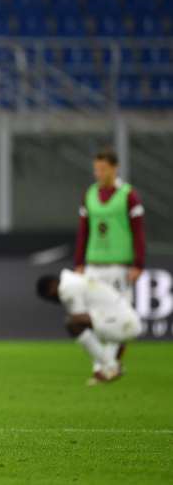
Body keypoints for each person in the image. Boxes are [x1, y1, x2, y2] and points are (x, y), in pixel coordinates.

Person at [73, 148, 145, 368]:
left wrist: (138, 264)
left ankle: (107, 365)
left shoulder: (129, 195)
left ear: (115, 168)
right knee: (93, 318)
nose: (98, 173)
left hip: (119, 266)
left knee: (118, 317)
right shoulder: (90, 194)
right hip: (94, 265)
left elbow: (138, 231)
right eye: (96, 169)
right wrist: (79, 262)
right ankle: (104, 364)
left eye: (103, 169)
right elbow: (83, 232)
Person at [36, 269, 143, 385]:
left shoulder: (66, 288)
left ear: (51, 287)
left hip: (123, 323)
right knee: (87, 327)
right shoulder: (73, 280)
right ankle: (109, 366)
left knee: (72, 323)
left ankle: (111, 366)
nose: (53, 301)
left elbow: (79, 319)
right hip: (125, 321)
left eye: (49, 298)